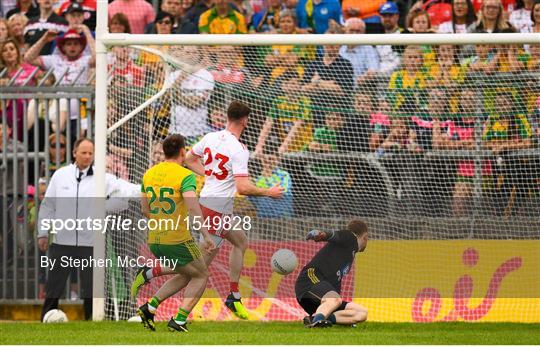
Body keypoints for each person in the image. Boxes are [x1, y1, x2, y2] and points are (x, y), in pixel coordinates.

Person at [183, 101, 285, 319]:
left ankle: (234, 295)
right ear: (244, 120)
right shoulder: (238, 149)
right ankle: (176, 308)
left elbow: (189, 159)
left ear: (228, 117)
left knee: (240, 241)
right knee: (199, 267)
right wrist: (269, 192)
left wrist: (209, 174)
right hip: (216, 210)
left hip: (212, 204)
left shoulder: (210, 137)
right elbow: (243, 187)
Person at [37, 137, 138, 320]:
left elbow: (123, 194)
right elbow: (48, 206)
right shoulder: (60, 175)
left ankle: (91, 319)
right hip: (62, 241)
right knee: (54, 285)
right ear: (74, 152)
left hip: (90, 242)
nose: (87, 156)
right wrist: (43, 233)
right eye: (83, 152)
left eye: (91, 153)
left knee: (90, 288)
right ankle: (46, 316)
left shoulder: (102, 177)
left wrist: (105, 207)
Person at [132, 134, 215, 332]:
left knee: (187, 273)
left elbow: (144, 209)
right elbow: (194, 209)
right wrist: (206, 235)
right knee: (201, 275)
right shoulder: (185, 175)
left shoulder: (148, 174)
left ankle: (150, 307)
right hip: (177, 239)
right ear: (182, 152)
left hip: (154, 239)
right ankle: (179, 320)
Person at [295, 219, 369, 328]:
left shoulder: (349, 252)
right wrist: (323, 235)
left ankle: (315, 318)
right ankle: (317, 322)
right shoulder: (351, 237)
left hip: (319, 299)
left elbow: (334, 287)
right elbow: (337, 235)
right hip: (310, 279)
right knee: (335, 300)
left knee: (362, 313)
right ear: (365, 237)